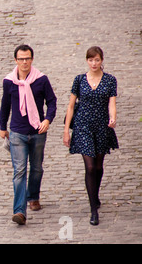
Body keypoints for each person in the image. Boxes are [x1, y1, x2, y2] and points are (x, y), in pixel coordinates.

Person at [0, 45, 57, 225]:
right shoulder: (9, 81)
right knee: (20, 171)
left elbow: (52, 101)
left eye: (28, 58)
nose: (25, 62)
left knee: (37, 168)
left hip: (38, 132)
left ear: (32, 59)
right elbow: (5, 105)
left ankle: (33, 196)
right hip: (17, 133)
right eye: (21, 59)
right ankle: (19, 212)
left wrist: (47, 120)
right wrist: (2, 127)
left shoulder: (41, 80)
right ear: (15, 60)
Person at [63, 46, 119, 226]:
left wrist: (113, 118)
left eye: (97, 60)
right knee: (90, 167)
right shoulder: (79, 80)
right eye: (90, 60)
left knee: (98, 166)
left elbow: (112, 103)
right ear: (86, 61)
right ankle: (93, 209)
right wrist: (66, 130)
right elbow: (71, 106)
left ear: (102, 60)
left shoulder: (110, 80)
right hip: (82, 126)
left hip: (101, 126)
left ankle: (95, 195)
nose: (94, 63)